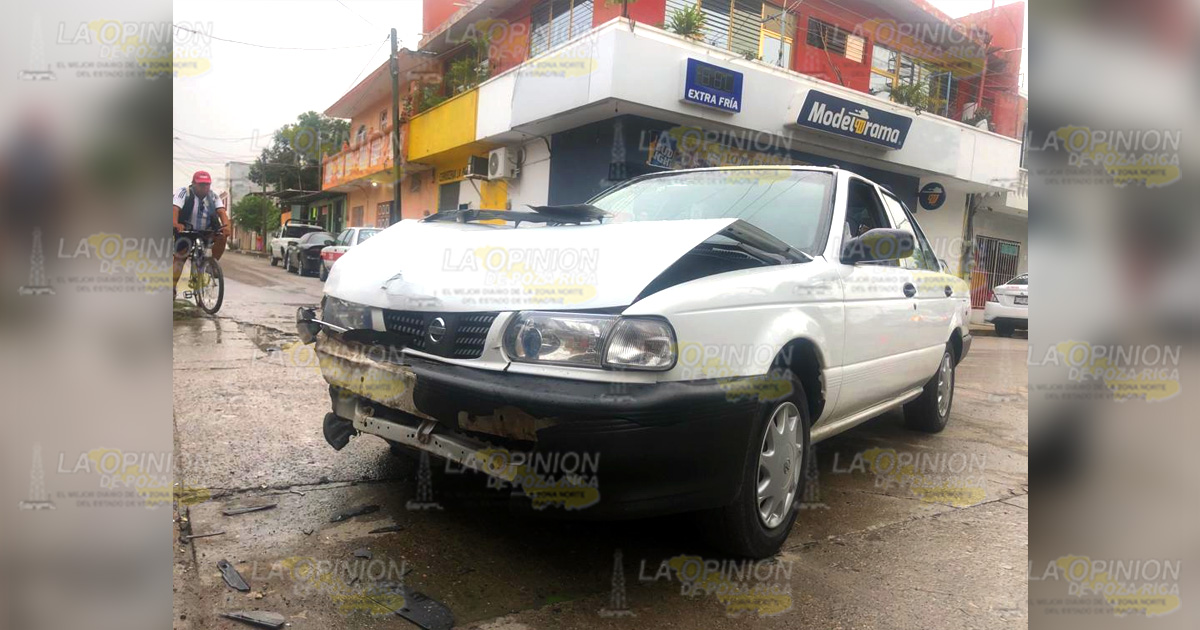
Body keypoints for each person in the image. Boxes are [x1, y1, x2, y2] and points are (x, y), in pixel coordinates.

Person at [172, 171, 230, 299]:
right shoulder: (184, 192)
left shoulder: (213, 196)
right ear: (193, 183)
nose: (204, 187)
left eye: (207, 184)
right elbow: (175, 208)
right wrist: (175, 223)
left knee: (222, 237)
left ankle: (211, 265)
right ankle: (172, 287)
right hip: (186, 230)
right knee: (180, 256)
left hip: (207, 230)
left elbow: (221, 212)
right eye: (201, 184)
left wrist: (226, 226)